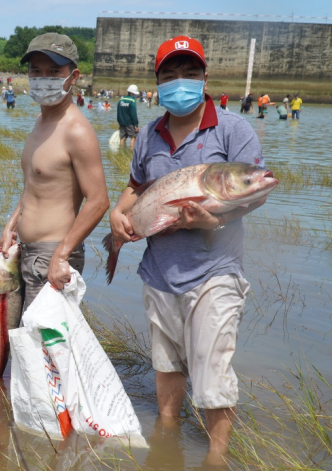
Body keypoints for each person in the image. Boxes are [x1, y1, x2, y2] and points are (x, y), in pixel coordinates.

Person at [108, 35, 267, 463]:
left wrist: (213, 220)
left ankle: (216, 457)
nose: (181, 82)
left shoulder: (234, 129)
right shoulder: (148, 133)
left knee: (213, 370)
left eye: (190, 73)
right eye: (171, 75)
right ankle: (166, 443)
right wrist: (117, 216)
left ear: (205, 78)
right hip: (158, 270)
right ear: (157, 82)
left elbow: (255, 192)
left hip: (215, 270)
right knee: (166, 365)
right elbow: (136, 186)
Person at [0, 32, 109, 312]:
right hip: (28, 253)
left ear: (73, 77)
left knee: (47, 351)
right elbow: (34, 186)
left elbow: (98, 201)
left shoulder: (77, 130)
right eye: (36, 71)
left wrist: (62, 253)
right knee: (25, 348)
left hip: (53, 256)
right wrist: (12, 225)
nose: (43, 78)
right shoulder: (40, 121)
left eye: (53, 71)